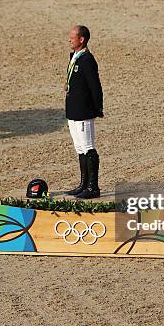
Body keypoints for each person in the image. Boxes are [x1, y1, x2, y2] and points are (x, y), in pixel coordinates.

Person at [64, 25, 104, 199]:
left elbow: (95, 86)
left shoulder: (87, 60)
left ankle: (93, 187)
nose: (69, 39)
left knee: (88, 148)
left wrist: (97, 108)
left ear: (82, 40)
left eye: (72, 37)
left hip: (84, 111)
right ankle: (83, 184)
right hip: (73, 110)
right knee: (79, 148)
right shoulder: (75, 57)